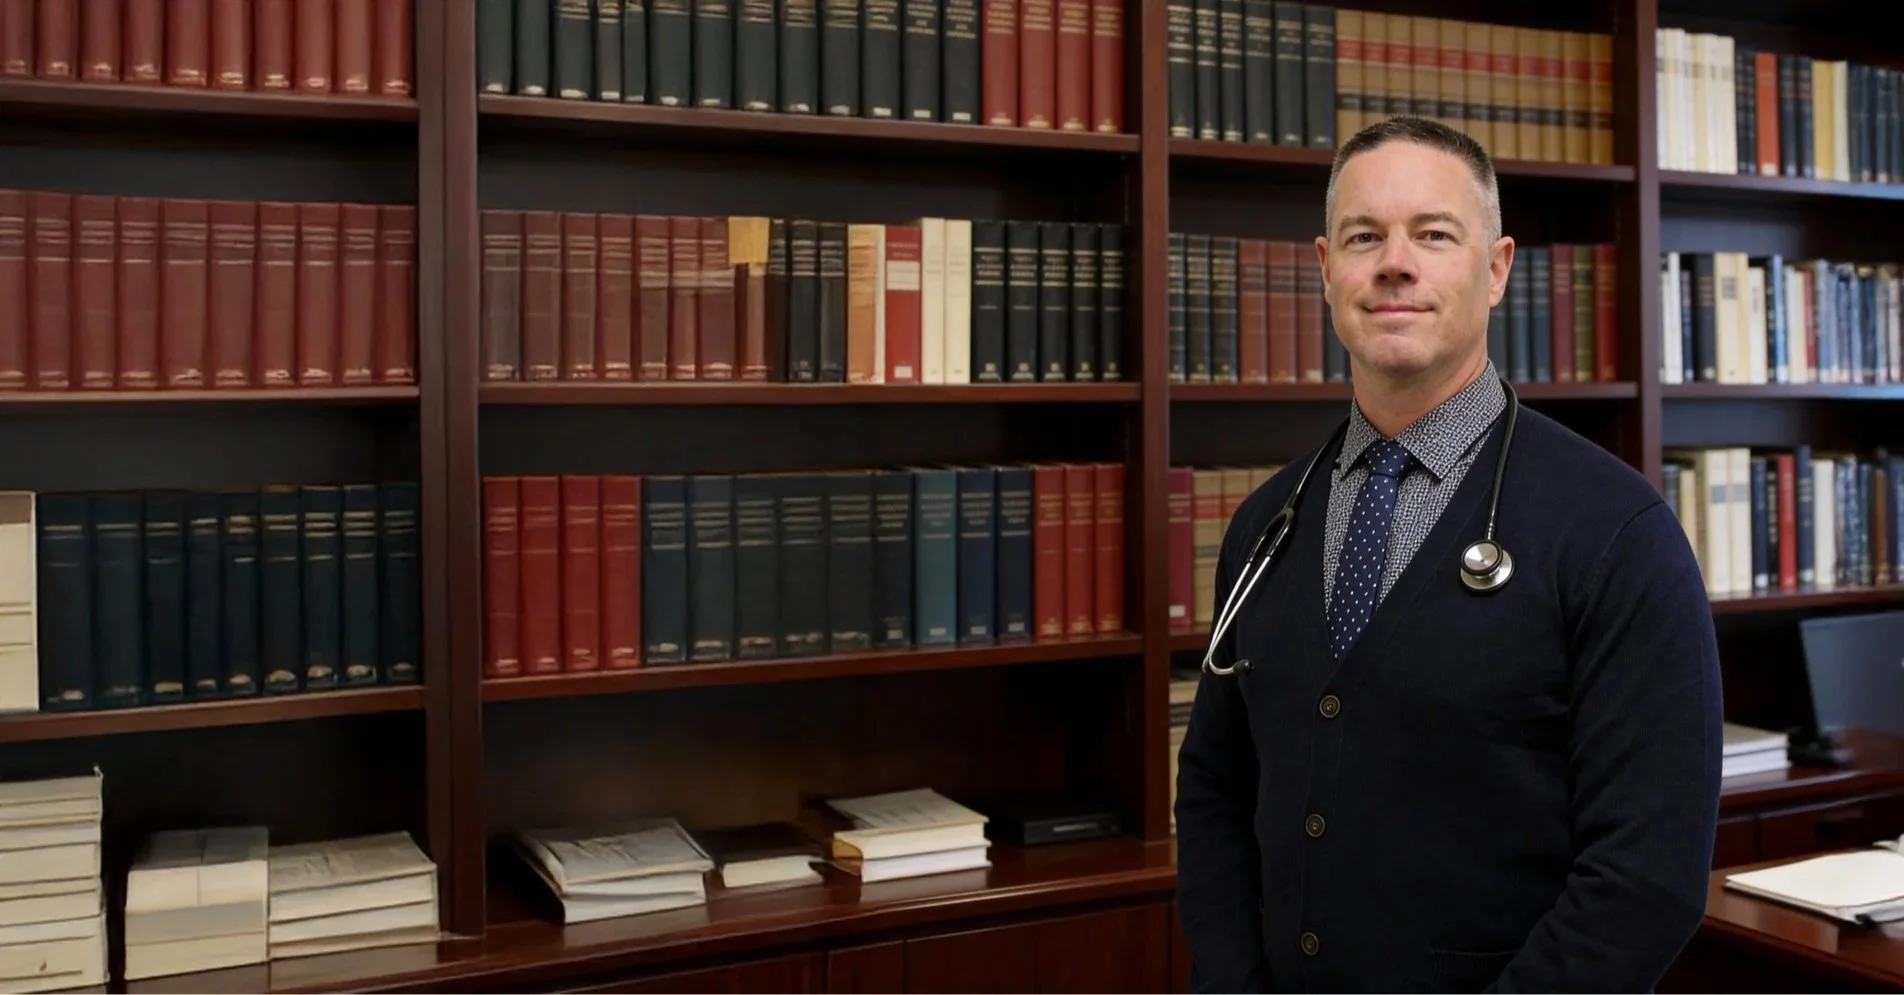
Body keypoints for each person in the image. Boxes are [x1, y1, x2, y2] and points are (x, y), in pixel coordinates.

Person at [1173, 115, 1724, 993]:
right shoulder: (1265, 523)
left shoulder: (1619, 534)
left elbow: (1646, 879)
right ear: (1325, 271)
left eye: (1433, 234)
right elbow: (1212, 792)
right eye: (1365, 237)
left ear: (1498, 268)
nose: (1395, 262)